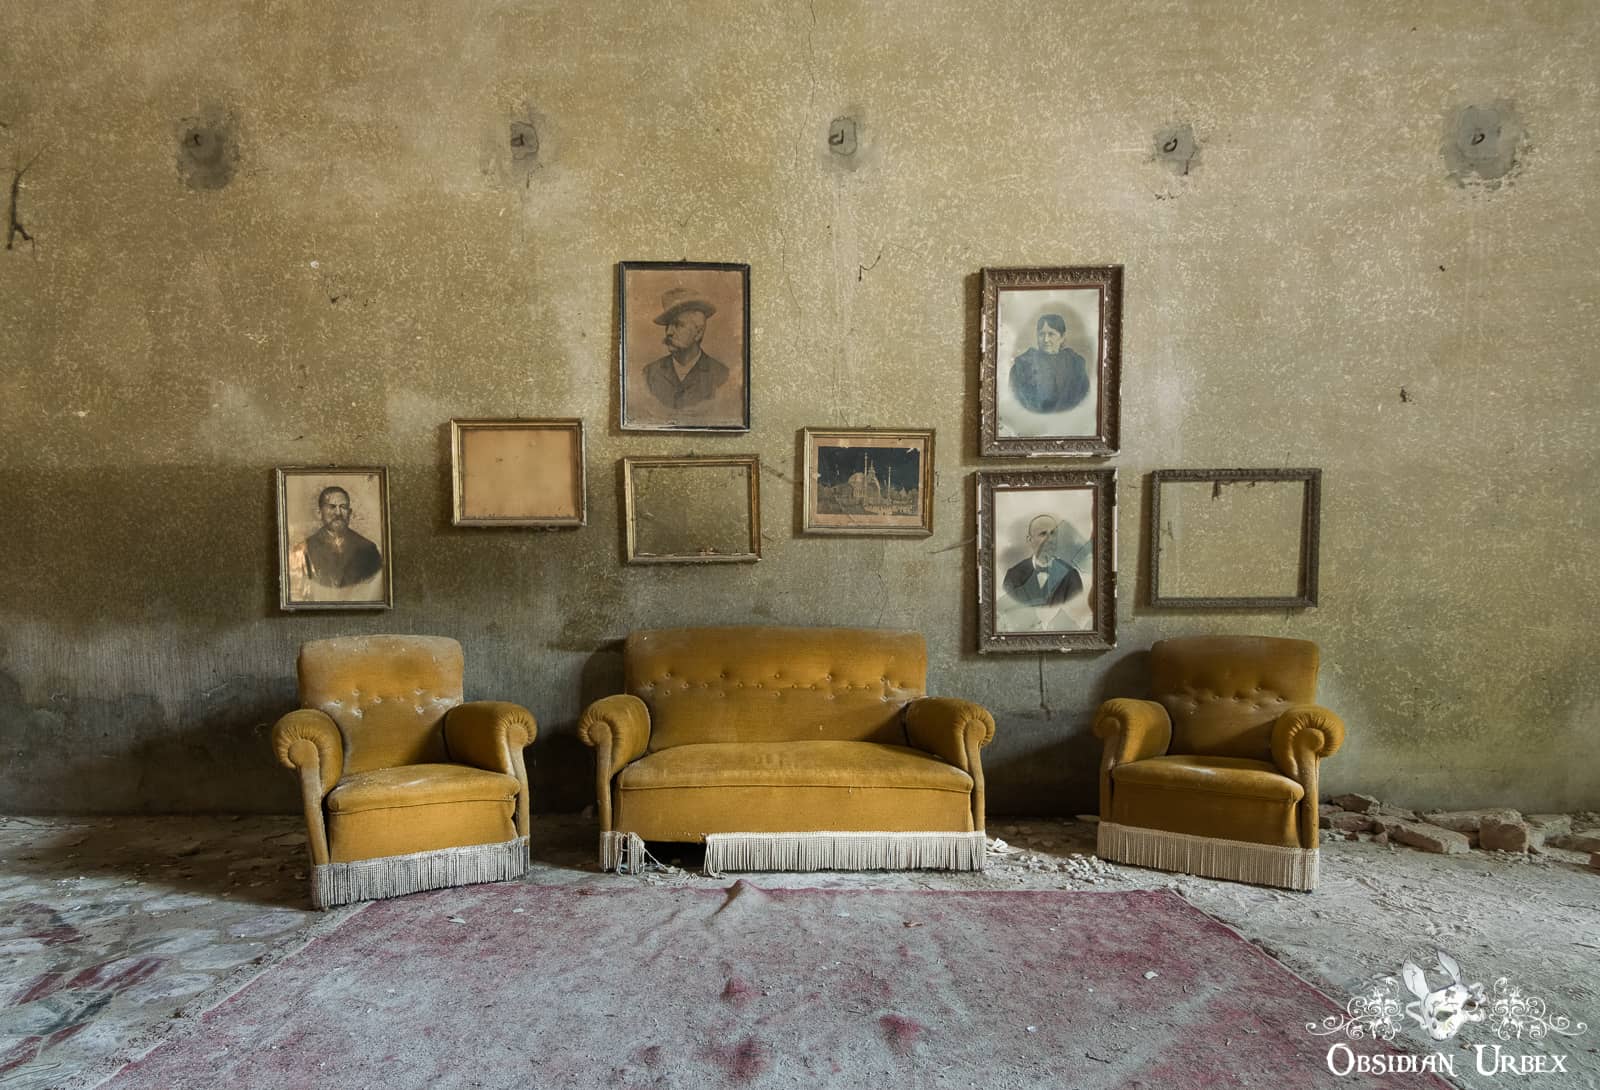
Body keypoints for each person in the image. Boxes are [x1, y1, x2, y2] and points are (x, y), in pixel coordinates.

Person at [642, 287, 729, 410]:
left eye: (678, 325)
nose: (669, 332)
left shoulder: (721, 375)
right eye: (667, 325)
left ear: (698, 332)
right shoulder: (649, 374)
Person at [292, 486, 383, 591]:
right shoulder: (303, 551)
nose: (338, 513)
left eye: (343, 507)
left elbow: (375, 589)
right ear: (319, 513)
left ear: (349, 512)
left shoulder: (368, 549)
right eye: (332, 507)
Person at [1009, 313, 1090, 414]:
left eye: (1051, 334)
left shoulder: (1075, 364)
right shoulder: (1023, 365)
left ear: (1062, 337)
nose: (1046, 340)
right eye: (1041, 334)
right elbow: (1015, 400)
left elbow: (1084, 399)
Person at [1001, 514, 1083, 608]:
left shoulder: (1071, 575)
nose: (1050, 539)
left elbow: (1076, 610)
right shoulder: (1013, 576)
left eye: (1053, 533)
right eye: (1043, 534)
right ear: (1029, 540)